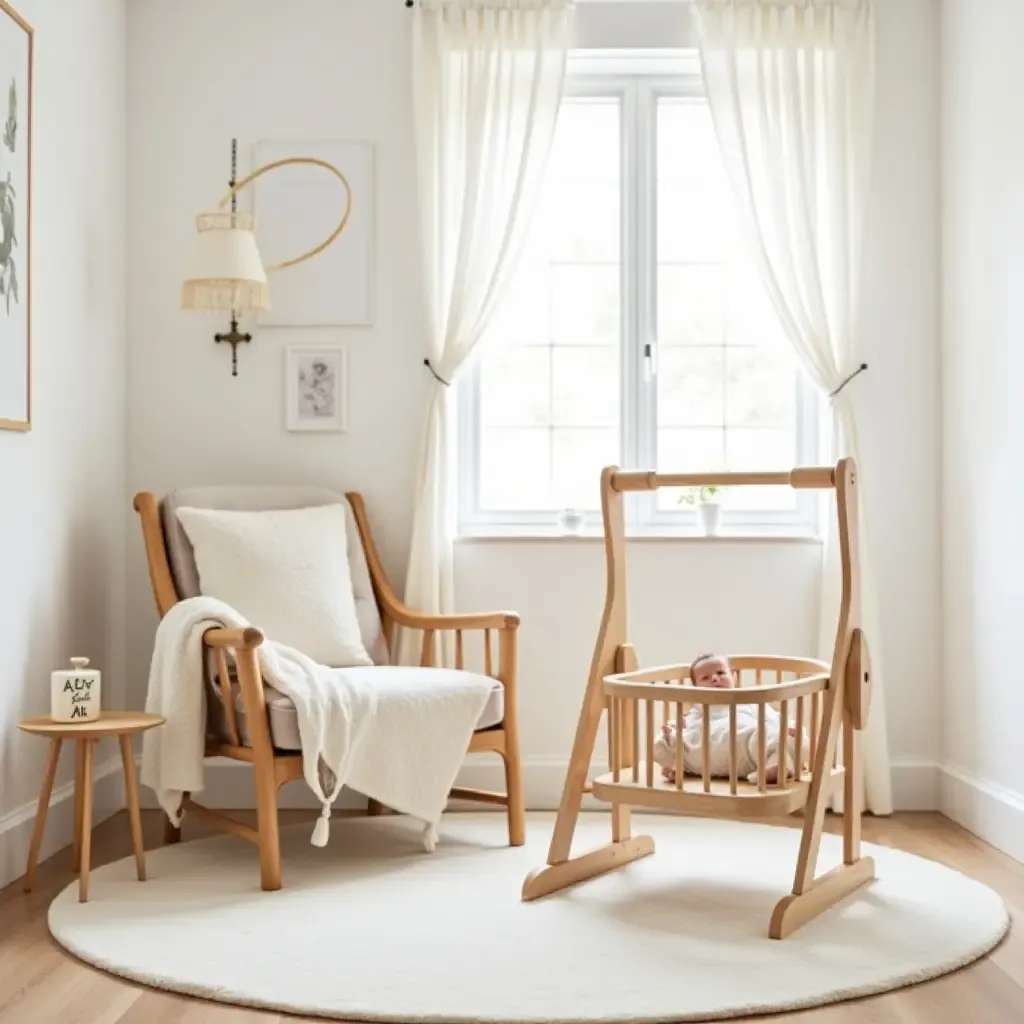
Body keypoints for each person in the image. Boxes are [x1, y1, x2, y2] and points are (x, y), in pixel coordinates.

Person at [652, 653, 801, 785]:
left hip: (747, 750)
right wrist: (675, 729)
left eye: (721, 673)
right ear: (695, 687)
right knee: (668, 740)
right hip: (711, 752)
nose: (715, 678)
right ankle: (675, 767)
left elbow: (773, 718)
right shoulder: (699, 708)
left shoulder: (751, 700)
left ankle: (777, 766)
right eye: (705, 678)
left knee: (772, 735)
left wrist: (787, 727)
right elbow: (688, 729)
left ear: (734, 677)